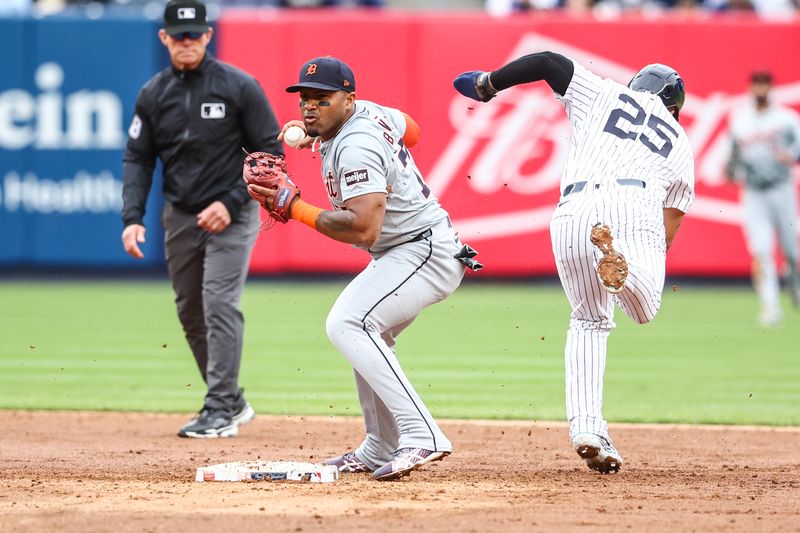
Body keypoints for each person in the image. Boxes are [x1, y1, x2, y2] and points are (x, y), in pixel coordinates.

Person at [454, 55, 694, 473]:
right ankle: (622, 268)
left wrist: (488, 84)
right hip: (630, 208)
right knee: (644, 308)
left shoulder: (603, 92)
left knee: (588, 319)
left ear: (635, 85)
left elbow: (549, 61)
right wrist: (640, 259)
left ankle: (587, 429)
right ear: (674, 105)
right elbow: (668, 228)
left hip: (571, 210)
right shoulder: (677, 136)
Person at [246, 56, 482, 481]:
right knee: (367, 333)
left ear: (347, 99)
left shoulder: (356, 146)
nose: (310, 107)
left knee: (347, 323)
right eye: (305, 99)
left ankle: (423, 435)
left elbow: (363, 228)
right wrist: (313, 134)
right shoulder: (368, 112)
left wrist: (294, 208)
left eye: (323, 99)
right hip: (414, 248)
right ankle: (378, 446)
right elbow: (412, 129)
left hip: (421, 252)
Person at [121, 0, 283, 438]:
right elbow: (138, 158)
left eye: (195, 35)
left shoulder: (238, 86)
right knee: (190, 310)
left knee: (218, 302)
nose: (187, 42)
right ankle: (231, 400)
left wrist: (231, 202)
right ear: (165, 38)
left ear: (208, 36)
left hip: (232, 213)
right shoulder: (153, 93)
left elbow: (271, 152)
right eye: (179, 35)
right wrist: (132, 216)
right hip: (181, 214)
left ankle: (219, 410)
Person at [726, 70, 800, 327]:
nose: (760, 89)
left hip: (782, 189)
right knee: (761, 249)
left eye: (764, 84)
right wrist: (732, 171)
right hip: (754, 190)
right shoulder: (740, 120)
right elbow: (731, 158)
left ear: (770, 87)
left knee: (791, 250)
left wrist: (791, 157)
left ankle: (795, 287)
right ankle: (770, 306)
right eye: (756, 84)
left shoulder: (786, 119)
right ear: (750, 87)